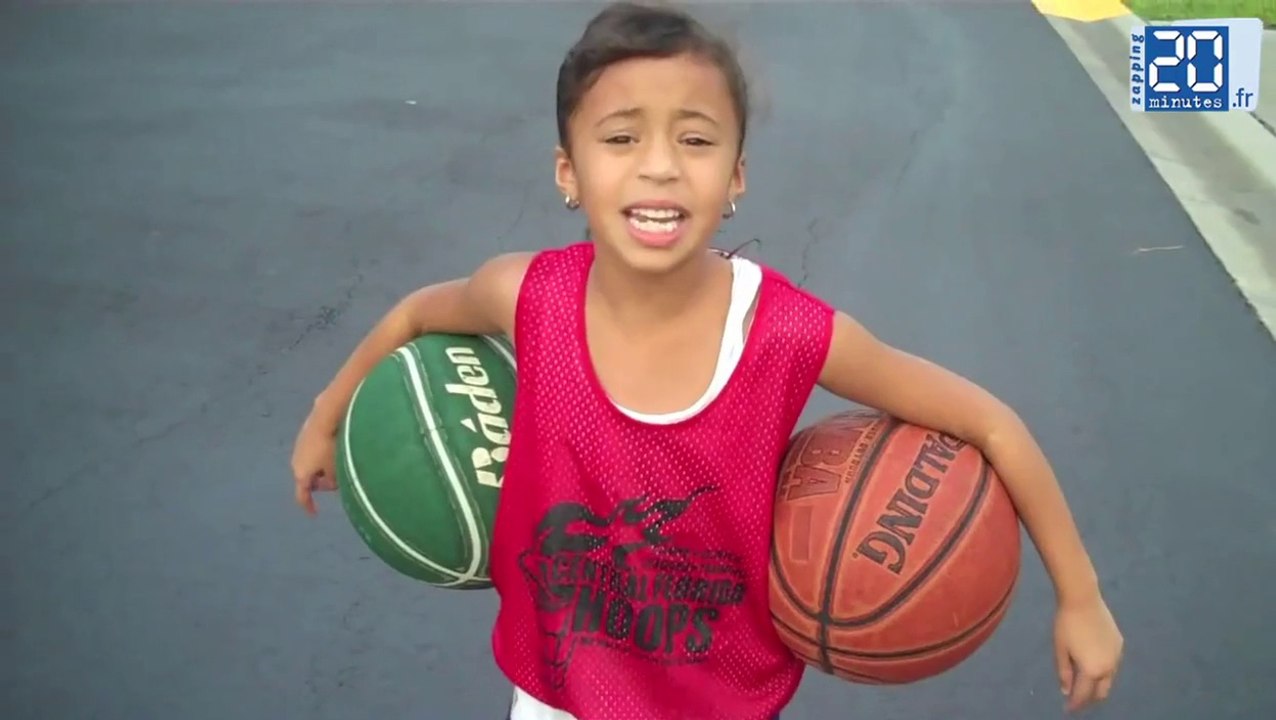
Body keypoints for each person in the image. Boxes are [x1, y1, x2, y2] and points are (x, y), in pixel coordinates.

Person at [290, 3, 1124, 719]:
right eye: (621, 137)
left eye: (695, 139)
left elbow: (988, 422)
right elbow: (414, 313)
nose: (659, 165)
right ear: (568, 173)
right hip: (557, 694)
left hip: (721, 702)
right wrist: (327, 417)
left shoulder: (783, 333)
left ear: (736, 178)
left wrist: (1079, 596)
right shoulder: (528, 298)